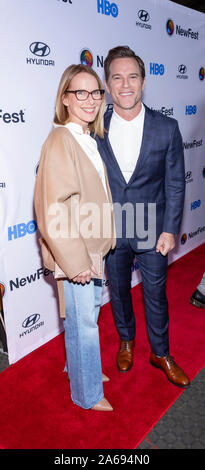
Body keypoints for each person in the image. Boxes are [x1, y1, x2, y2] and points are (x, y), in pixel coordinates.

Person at [95, 46, 190, 388]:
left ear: (144, 82)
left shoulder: (166, 127)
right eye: (117, 77)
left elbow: (176, 183)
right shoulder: (95, 126)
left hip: (152, 224)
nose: (125, 85)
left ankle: (160, 352)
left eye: (132, 77)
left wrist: (170, 229)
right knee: (118, 291)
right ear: (106, 85)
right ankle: (126, 341)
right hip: (112, 227)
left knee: (156, 294)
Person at [34, 64, 116, 411]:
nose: (90, 99)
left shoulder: (86, 137)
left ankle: (81, 367)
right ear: (65, 99)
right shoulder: (60, 138)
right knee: (83, 322)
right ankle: (87, 393)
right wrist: (76, 261)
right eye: (80, 92)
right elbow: (53, 207)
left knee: (87, 316)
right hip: (78, 252)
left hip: (92, 248)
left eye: (95, 92)